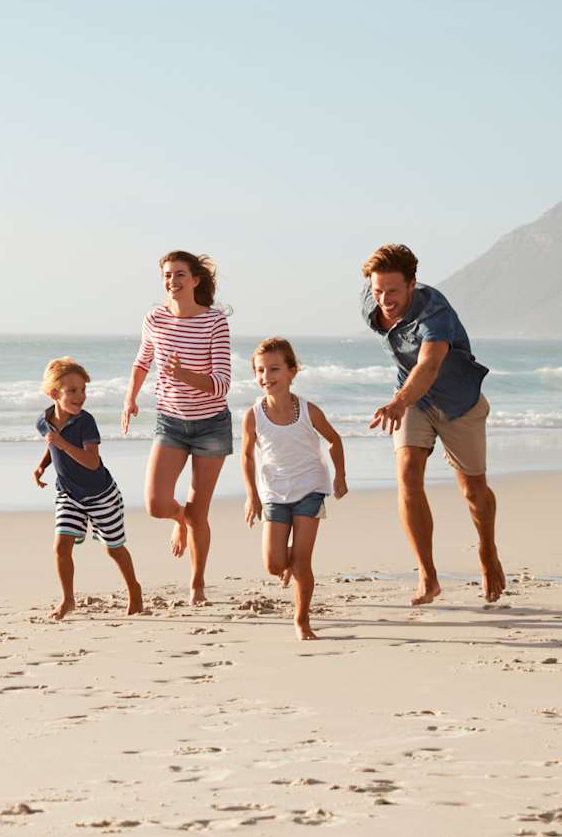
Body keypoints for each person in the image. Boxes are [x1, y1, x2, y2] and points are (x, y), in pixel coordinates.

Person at [360, 244, 504, 605]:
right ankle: (427, 575)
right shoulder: (371, 302)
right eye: (377, 290)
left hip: (458, 402)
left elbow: (428, 365)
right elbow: (411, 369)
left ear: (412, 284)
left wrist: (397, 403)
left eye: (393, 291)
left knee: (474, 492)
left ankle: (487, 551)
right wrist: (403, 400)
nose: (384, 299)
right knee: (408, 475)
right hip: (414, 400)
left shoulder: (435, 312)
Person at [121, 251, 232, 606]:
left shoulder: (214, 322)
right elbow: (142, 361)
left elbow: (222, 384)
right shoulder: (154, 318)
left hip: (211, 426)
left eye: (180, 274)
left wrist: (183, 374)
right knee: (156, 504)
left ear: (195, 280)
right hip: (170, 421)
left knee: (200, 512)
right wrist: (130, 398)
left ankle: (197, 584)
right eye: (168, 275)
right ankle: (179, 519)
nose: (172, 281)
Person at [239, 337, 348, 640]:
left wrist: (340, 477)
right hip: (274, 492)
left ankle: (302, 621)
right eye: (260, 370)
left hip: (310, 488)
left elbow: (334, 440)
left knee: (302, 562)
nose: (266, 377)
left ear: (291, 371)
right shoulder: (253, 415)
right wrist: (251, 495)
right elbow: (246, 456)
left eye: (274, 369)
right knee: (274, 563)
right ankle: (288, 565)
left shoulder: (309, 410)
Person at [34, 357, 143, 620]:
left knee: (113, 548)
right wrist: (42, 466)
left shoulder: (86, 422)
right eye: (72, 390)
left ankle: (134, 589)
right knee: (61, 547)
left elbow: (92, 462)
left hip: (101, 495)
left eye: (83, 390)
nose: (80, 396)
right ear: (53, 394)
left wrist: (61, 443)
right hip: (68, 494)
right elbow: (52, 445)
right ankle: (68, 599)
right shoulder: (44, 421)